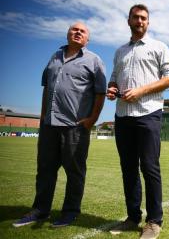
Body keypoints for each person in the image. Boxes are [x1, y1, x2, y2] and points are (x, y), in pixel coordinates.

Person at [13, 22, 106, 228]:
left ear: (87, 39)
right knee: (45, 169)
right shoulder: (54, 58)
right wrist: (42, 117)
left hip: (75, 126)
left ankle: (70, 212)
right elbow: (47, 89)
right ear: (67, 34)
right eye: (74, 29)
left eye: (83, 31)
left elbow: (100, 92)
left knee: (74, 171)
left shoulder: (94, 61)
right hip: (49, 125)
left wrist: (92, 120)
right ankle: (40, 210)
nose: (78, 32)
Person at [106, 4, 169, 239]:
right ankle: (132, 217)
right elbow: (114, 79)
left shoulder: (159, 47)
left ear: (148, 22)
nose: (140, 21)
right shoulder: (119, 51)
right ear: (128, 21)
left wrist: (141, 91)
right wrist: (112, 88)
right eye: (135, 17)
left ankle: (154, 221)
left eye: (144, 18)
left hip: (148, 113)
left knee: (149, 167)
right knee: (128, 169)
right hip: (123, 115)